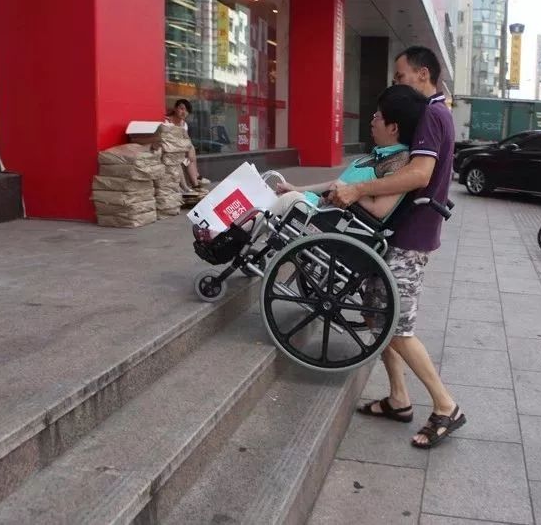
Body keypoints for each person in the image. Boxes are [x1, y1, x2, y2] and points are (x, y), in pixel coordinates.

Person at [330, 46, 465, 449]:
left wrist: (359, 189)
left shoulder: (430, 115)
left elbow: (419, 174)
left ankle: (446, 407)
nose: (396, 84)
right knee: (380, 321)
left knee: (400, 329)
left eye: (400, 76)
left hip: (410, 237)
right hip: (399, 234)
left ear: (423, 74)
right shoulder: (437, 112)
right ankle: (399, 399)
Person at [195, 84, 426, 243]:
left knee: (288, 201)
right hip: (323, 211)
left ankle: (226, 235)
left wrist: (354, 192)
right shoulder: (377, 154)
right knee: (278, 192)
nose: (372, 122)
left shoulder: (399, 163)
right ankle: (231, 233)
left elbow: (380, 210)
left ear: (393, 128)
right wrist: (298, 188)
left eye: (377, 117)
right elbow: (338, 182)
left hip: (336, 224)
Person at [164, 99, 208, 192]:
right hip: (168, 150)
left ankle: (195, 184)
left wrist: (190, 151)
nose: (184, 112)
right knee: (187, 154)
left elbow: (187, 140)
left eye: (186, 110)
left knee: (189, 156)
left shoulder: (184, 124)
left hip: (178, 150)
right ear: (175, 109)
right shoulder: (166, 121)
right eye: (181, 108)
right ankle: (194, 179)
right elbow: (167, 140)